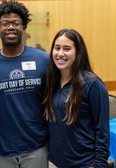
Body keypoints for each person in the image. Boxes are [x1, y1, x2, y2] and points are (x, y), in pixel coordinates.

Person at [0, 0, 49, 168]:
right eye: (5, 23)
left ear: (23, 27)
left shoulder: (44, 60)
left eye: (16, 23)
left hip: (36, 147)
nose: (10, 27)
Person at [43, 29, 110, 168]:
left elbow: (102, 130)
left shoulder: (92, 84)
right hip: (54, 163)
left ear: (78, 52)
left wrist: (99, 165)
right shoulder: (51, 82)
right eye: (57, 48)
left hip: (84, 163)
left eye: (66, 49)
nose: (60, 53)